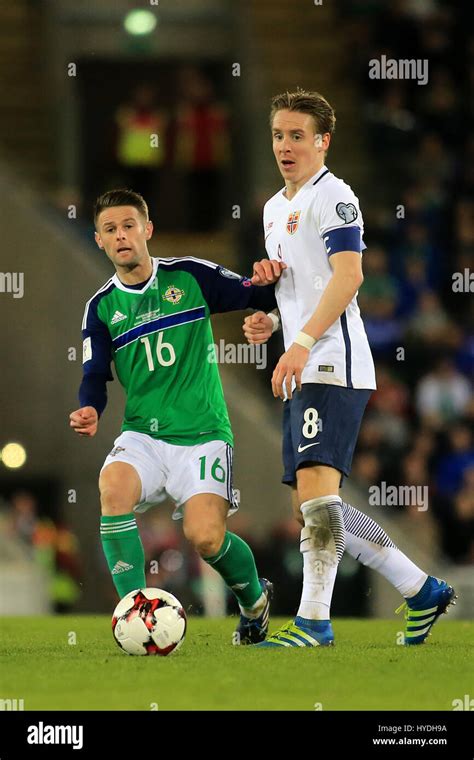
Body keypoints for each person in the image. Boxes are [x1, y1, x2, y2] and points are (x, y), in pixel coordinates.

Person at [243, 89, 456, 647]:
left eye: (297, 136)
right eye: (278, 135)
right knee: (317, 506)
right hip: (303, 361)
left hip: (332, 361)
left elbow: (348, 277)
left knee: (317, 503)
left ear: (323, 141)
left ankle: (315, 621)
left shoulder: (335, 196)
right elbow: (305, 286)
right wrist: (272, 321)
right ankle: (421, 588)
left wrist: (302, 341)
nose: (285, 147)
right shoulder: (273, 208)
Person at [69, 188, 276, 644]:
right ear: (99, 241)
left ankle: (255, 601)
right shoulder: (101, 309)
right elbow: (94, 375)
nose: (121, 236)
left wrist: (267, 297)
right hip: (143, 435)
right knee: (112, 487)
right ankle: (134, 614)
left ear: (147, 230)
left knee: (205, 538)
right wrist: (89, 408)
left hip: (202, 434)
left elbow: (255, 292)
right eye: (110, 230)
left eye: (128, 225)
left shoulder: (190, 276)